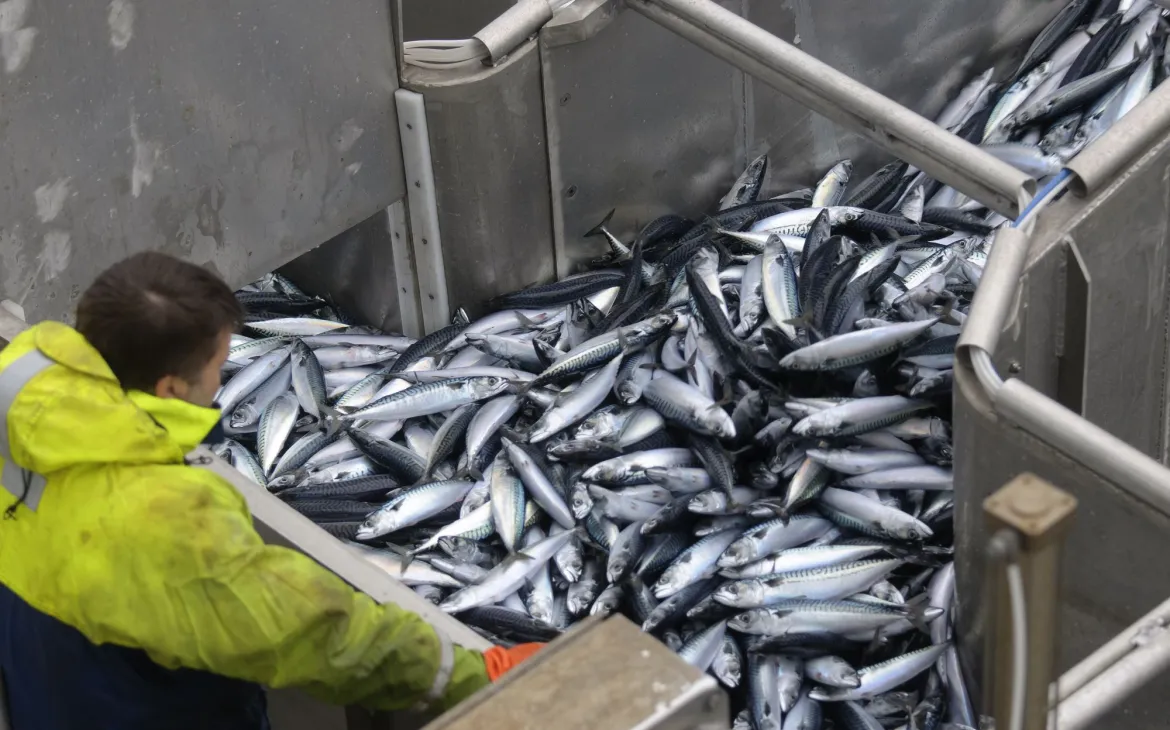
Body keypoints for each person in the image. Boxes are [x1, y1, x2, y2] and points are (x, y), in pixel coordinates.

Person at [0, 252, 543, 729]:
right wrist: (471, 671)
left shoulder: (18, 390)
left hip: (44, 687)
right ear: (170, 388)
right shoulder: (163, 518)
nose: (220, 382)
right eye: (216, 367)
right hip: (141, 710)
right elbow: (314, 633)